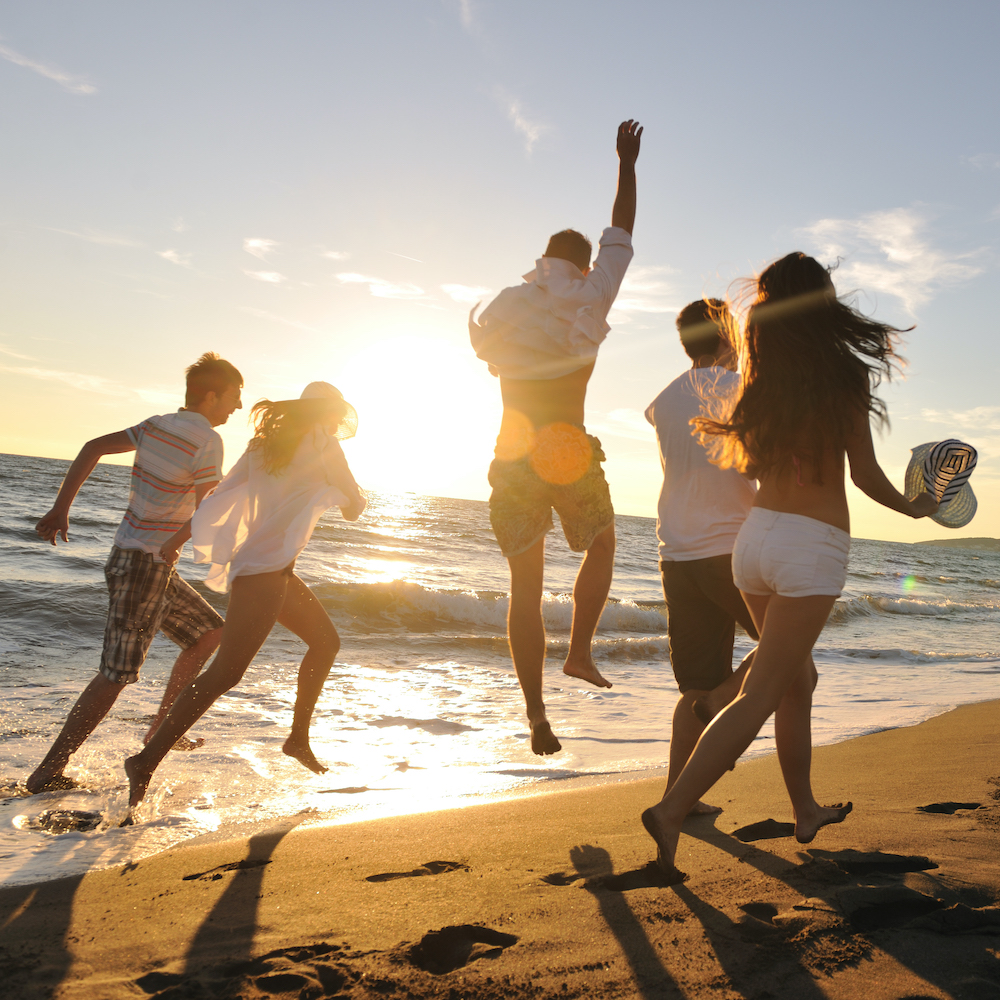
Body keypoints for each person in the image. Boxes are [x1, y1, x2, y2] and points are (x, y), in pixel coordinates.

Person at [640, 253, 939, 882]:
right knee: (761, 691)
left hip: (754, 542)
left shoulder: (757, 375)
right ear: (824, 302)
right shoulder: (844, 375)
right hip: (811, 545)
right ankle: (671, 809)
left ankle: (804, 810)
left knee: (795, 680)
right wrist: (914, 509)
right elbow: (863, 473)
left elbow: (748, 466)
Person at [469, 120, 642, 755]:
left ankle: (536, 713)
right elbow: (622, 231)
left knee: (524, 590)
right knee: (601, 545)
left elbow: (489, 356)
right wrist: (626, 163)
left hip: (512, 450)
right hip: (565, 447)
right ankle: (578, 652)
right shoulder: (592, 294)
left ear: (542, 257)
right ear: (584, 262)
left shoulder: (511, 303)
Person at [125, 381, 366, 807]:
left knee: (326, 642)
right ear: (326, 414)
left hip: (261, 567)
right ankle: (146, 759)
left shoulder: (263, 445)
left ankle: (297, 739)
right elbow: (354, 506)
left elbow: (221, 495)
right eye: (333, 415)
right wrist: (341, 494)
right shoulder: (325, 444)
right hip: (267, 571)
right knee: (226, 673)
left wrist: (185, 536)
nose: (333, 422)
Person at [26, 353, 244, 793]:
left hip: (144, 561)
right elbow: (209, 509)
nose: (236, 408)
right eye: (234, 397)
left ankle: (165, 727)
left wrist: (61, 507)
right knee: (116, 673)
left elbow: (92, 447)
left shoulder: (155, 424)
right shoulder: (206, 440)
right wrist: (178, 541)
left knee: (209, 634)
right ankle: (47, 772)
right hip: (145, 563)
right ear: (210, 394)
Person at [645, 299, 759, 815]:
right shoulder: (740, 390)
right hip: (730, 549)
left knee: (694, 682)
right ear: (727, 338)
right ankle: (719, 703)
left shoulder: (663, 399)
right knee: (789, 650)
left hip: (677, 554)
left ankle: (678, 797)